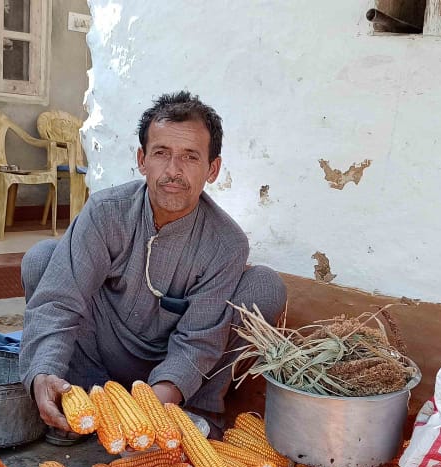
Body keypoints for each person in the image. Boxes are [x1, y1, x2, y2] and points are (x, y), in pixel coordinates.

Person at [20, 91, 287, 444]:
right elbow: (59, 300)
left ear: (212, 169)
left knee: (265, 286)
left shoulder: (226, 242)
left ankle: (199, 413)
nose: (173, 171)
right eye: (162, 154)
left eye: (190, 157)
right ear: (142, 160)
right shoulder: (105, 212)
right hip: (101, 348)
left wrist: (154, 406)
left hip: (176, 372)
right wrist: (43, 373)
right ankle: (76, 400)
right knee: (42, 259)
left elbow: (198, 340)